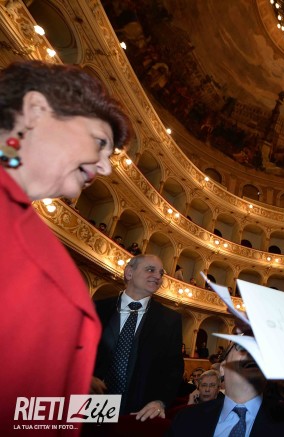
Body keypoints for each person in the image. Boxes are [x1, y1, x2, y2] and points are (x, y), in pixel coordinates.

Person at [0, 60, 130, 432]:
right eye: (100, 143)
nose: (106, 168)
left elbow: (32, 407)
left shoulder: (24, 221)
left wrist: (97, 408)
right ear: (35, 111)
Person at [91, 254, 184, 421]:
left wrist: (160, 401)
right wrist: (84, 377)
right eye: (150, 270)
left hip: (139, 413)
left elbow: (173, 369)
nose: (158, 276)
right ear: (129, 273)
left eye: (161, 273)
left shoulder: (170, 320)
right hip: (92, 403)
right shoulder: (97, 308)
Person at [168, 335, 284, 436]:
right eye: (242, 345)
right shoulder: (186, 419)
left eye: (259, 349)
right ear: (222, 368)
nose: (252, 352)